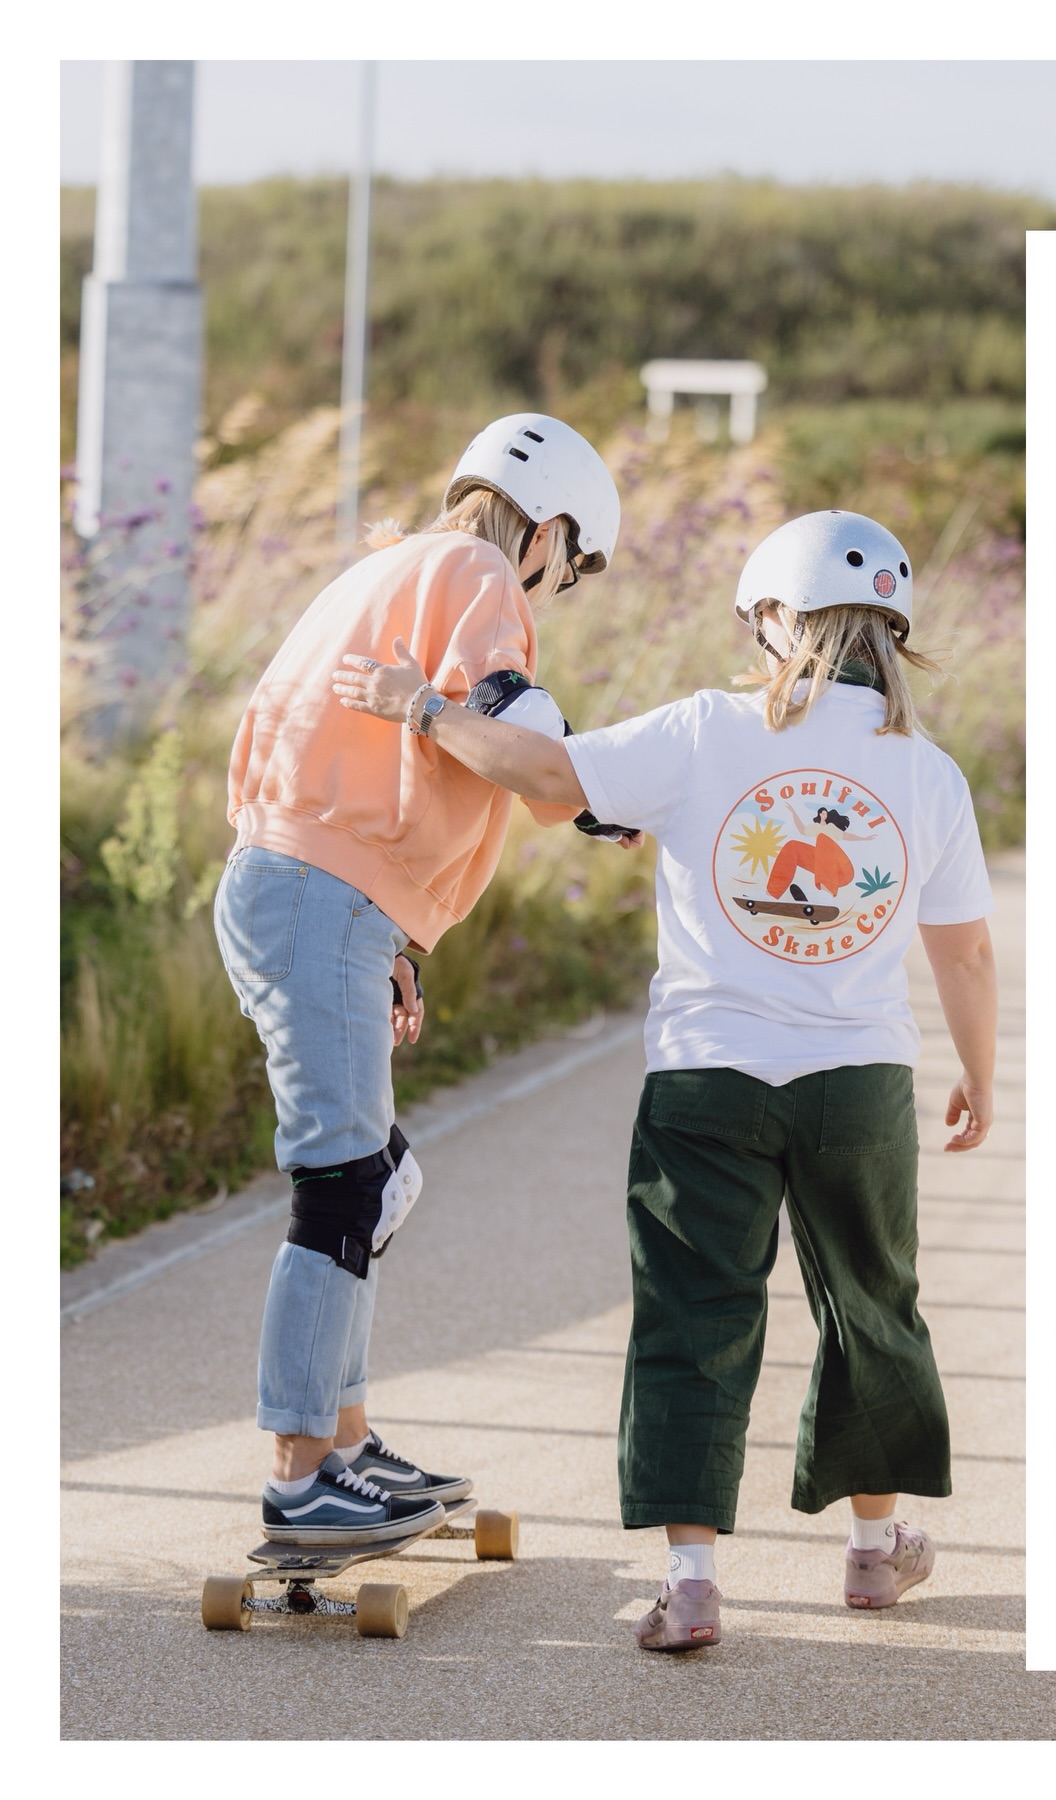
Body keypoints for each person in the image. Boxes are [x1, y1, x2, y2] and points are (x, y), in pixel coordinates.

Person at [333, 508, 998, 1648]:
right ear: (889, 633)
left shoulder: (705, 732)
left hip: (707, 1080)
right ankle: (874, 1553)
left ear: (781, 620)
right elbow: (967, 951)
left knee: (694, 1314)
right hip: (860, 1084)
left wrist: (423, 708)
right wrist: (978, 1075)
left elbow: (543, 769)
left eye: (757, 620)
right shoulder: (927, 776)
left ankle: (691, 1583)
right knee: (870, 1308)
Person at [215, 413, 633, 1546]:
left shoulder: (389, 565)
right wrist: (605, 798)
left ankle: (345, 1445)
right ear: (549, 531)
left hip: (305, 888)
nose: (558, 591)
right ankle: (304, 1472)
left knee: (378, 1178)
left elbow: (347, 753)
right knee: (343, 1183)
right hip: (316, 893)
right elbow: (506, 720)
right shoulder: (480, 568)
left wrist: (393, 932)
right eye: (575, 570)